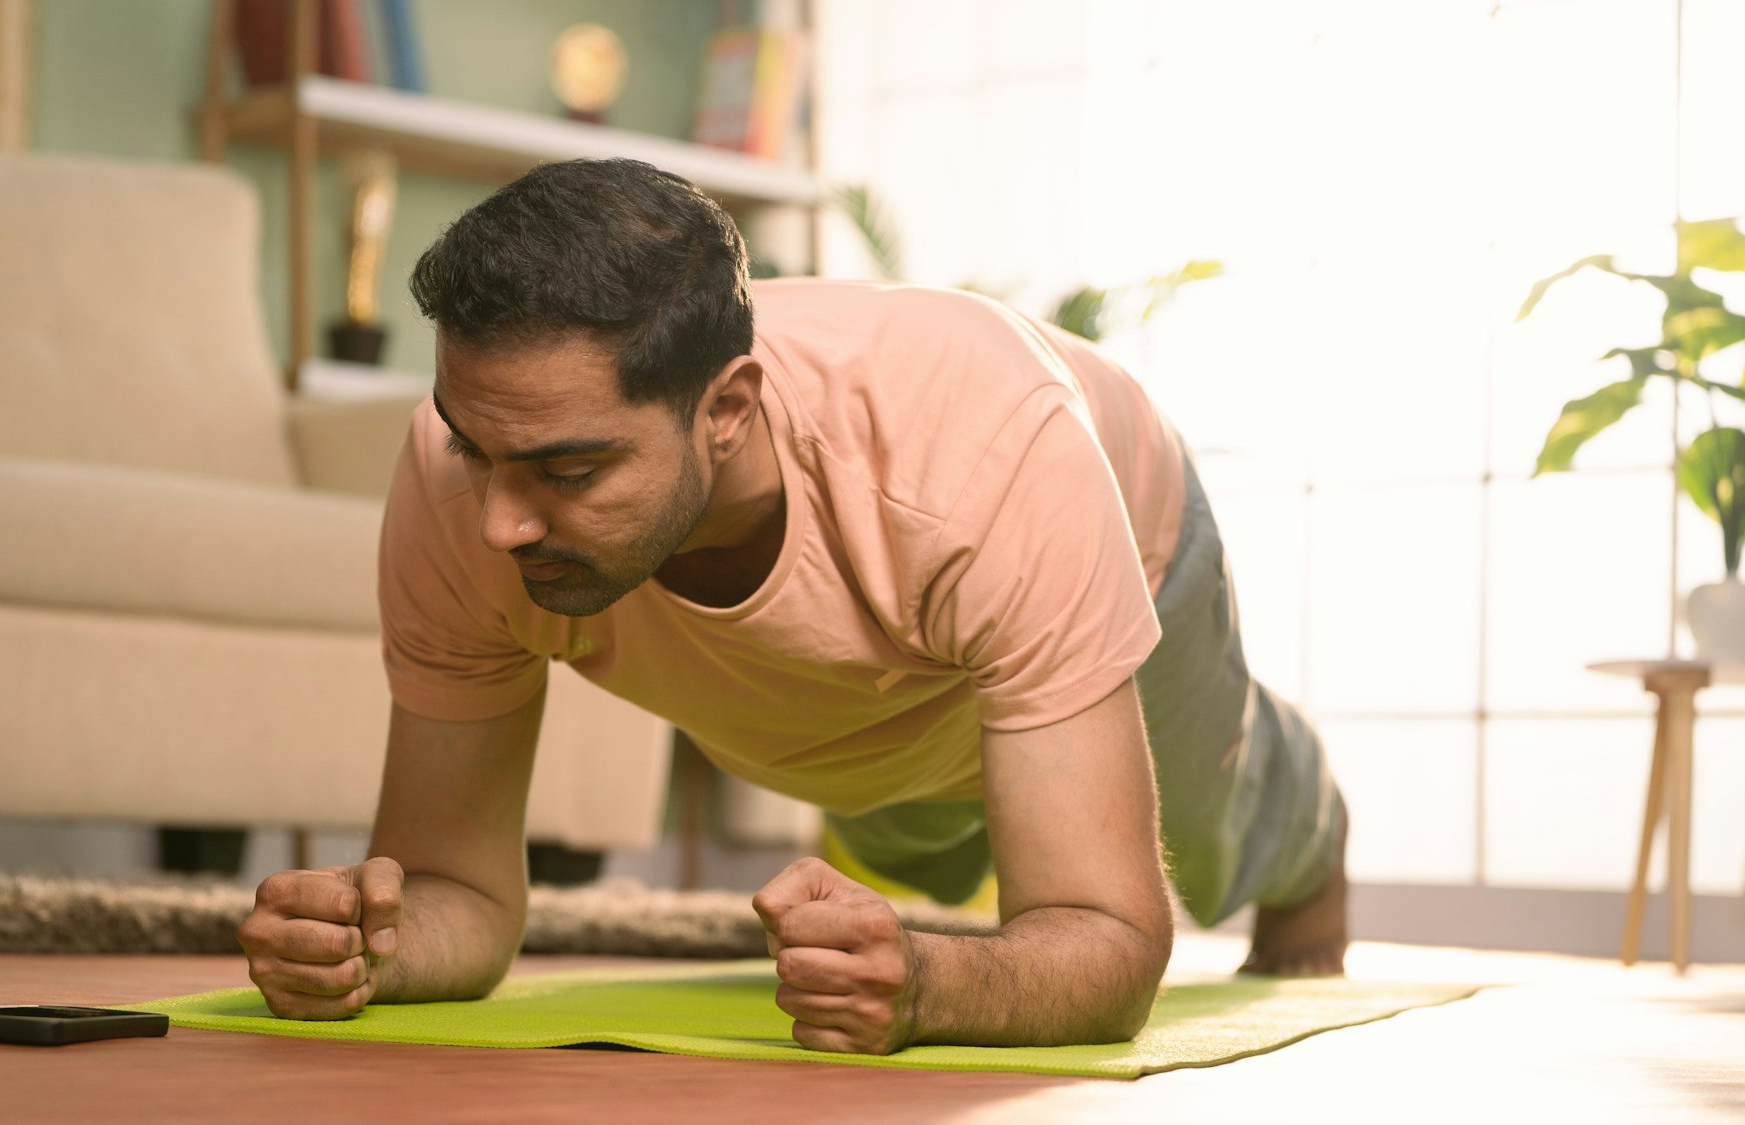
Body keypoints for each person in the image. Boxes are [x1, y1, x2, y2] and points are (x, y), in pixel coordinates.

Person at [236, 158, 1348, 1054]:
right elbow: (456, 894)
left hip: (1119, 533)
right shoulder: (456, 471)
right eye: (477, 451)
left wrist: (928, 985)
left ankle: (1306, 808)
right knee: (923, 851)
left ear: (726, 408)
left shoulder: (984, 453)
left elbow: (1106, 945)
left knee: (1216, 831)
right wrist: (370, 946)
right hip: (864, 686)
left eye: (568, 473)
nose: (496, 525)